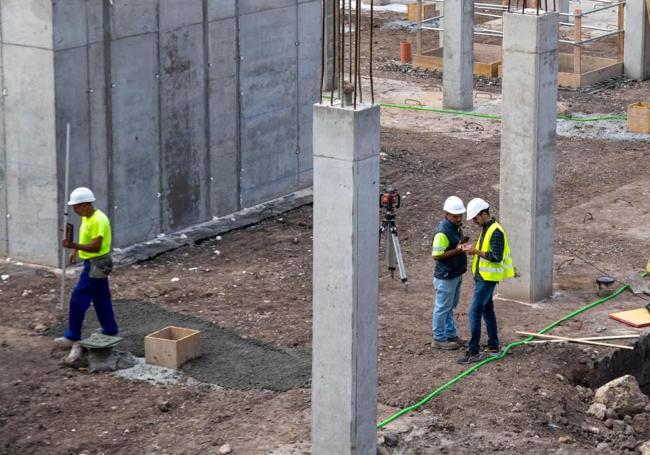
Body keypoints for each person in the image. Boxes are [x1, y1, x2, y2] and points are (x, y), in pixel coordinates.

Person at [55, 187, 118, 346]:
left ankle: (72, 335)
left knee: (78, 298)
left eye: (76, 207)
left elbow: (96, 246)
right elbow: (86, 238)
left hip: (96, 263)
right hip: (94, 263)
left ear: (85, 204)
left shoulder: (99, 220)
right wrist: (75, 250)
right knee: (101, 298)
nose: (74, 210)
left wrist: (72, 244)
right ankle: (110, 329)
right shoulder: (87, 217)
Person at [457, 198, 515, 364]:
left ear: (484, 214)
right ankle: (493, 345)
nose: (474, 222)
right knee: (487, 310)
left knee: (474, 311)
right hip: (483, 277)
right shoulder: (487, 228)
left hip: (487, 279)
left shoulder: (496, 231)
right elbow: (486, 250)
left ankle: (474, 350)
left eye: (475, 218)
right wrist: (474, 249)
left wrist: (475, 251)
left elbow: (495, 257)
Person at [431, 196, 468, 350]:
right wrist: (457, 250)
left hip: (454, 274)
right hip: (447, 276)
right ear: (447, 213)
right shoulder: (442, 233)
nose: (458, 218)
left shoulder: (455, 227)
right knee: (442, 308)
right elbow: (436, 255)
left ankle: (450, 334)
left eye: (460, 215)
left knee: (449, 307)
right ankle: (439, 338)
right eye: (455, 216)